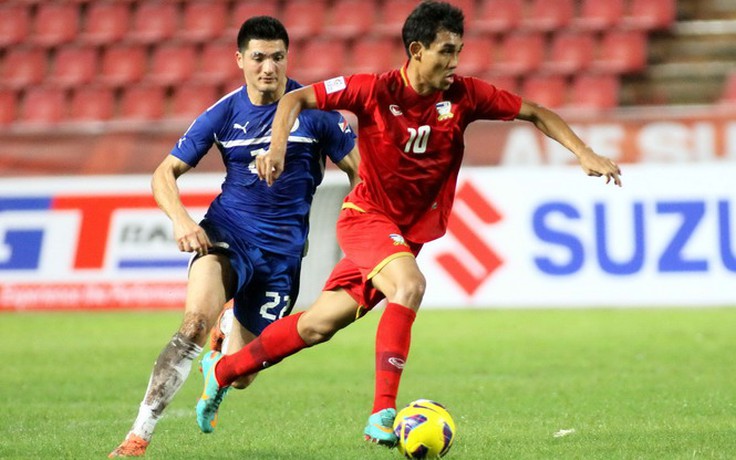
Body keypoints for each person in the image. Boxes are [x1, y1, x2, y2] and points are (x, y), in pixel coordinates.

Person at [196, 0, 622, 448]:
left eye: (458, 51)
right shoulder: (373, 90)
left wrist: (584, 153)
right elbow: (296, 98)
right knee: (410, 287)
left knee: (318, 325)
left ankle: (223, 369)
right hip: (366, 218)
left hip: (406, 234)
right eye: (445, 51)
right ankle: (382, 413)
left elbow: (536, 111)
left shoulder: (465, 96)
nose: (454, 63)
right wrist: (278, 146)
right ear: (417, 50)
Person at [109, 16, 360, 457]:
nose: (269, 68)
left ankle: (227, 333)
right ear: (240, 59)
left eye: (277, 57)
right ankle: (138, 437)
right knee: (191, 325)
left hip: (282, 257)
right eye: (259, 57)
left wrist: (363, 228)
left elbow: (362, 174)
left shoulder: (317, 113)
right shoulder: (225, 113)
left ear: (287, 59)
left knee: (242, 376)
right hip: (227, 234)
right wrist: (183, 220)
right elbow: (164, 173)